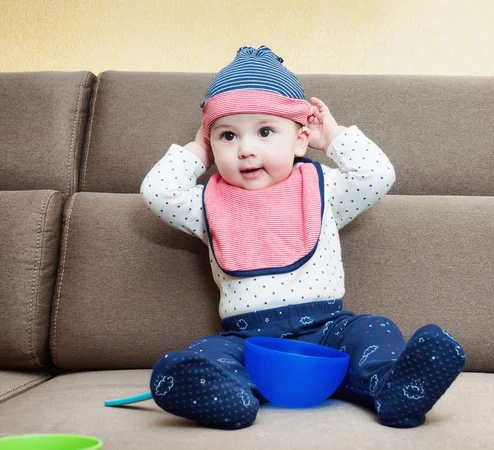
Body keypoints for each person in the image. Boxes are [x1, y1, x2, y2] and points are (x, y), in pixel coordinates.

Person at [140, 45, 466, 430]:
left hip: (330, 330)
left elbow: (377, 176)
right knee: (206, 352)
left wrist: (333, 138)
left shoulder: (322, 189)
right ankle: (230, 395)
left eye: (265, 131)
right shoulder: (206, 204)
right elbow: (158, 191)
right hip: (249, 342)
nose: (246, 150)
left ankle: (393, 387)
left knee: (373, 329)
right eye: (227, 136)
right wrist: (197, 148)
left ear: (299, 140)